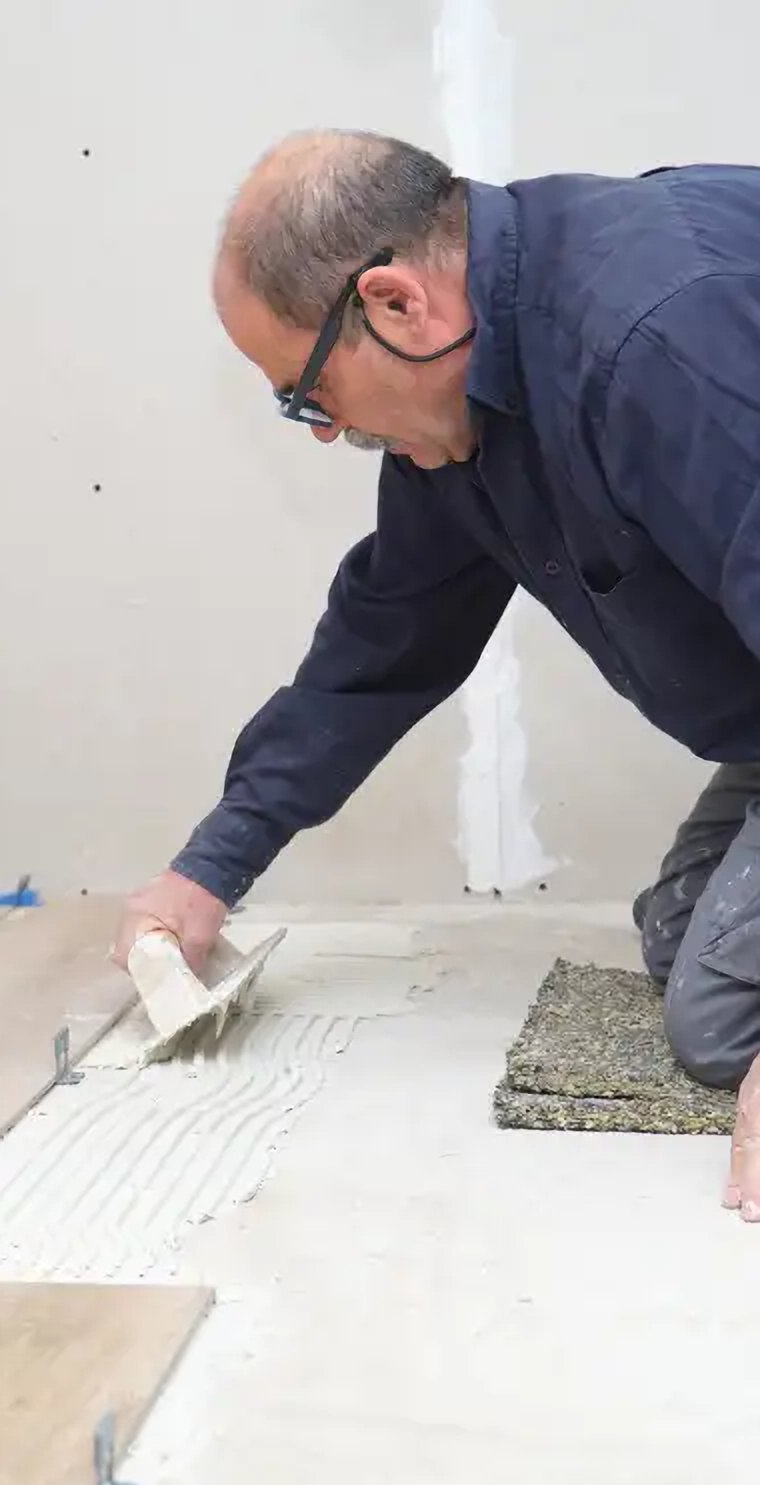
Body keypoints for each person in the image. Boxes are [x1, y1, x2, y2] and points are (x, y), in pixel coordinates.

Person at [112, 129, 760, 1220]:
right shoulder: (467, 410)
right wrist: (207, 873)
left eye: (305, 395)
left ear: (397, 304)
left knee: (724, 1022)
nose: (323, 434)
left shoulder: (653, 340)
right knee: (683, 932)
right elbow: (384, 642)